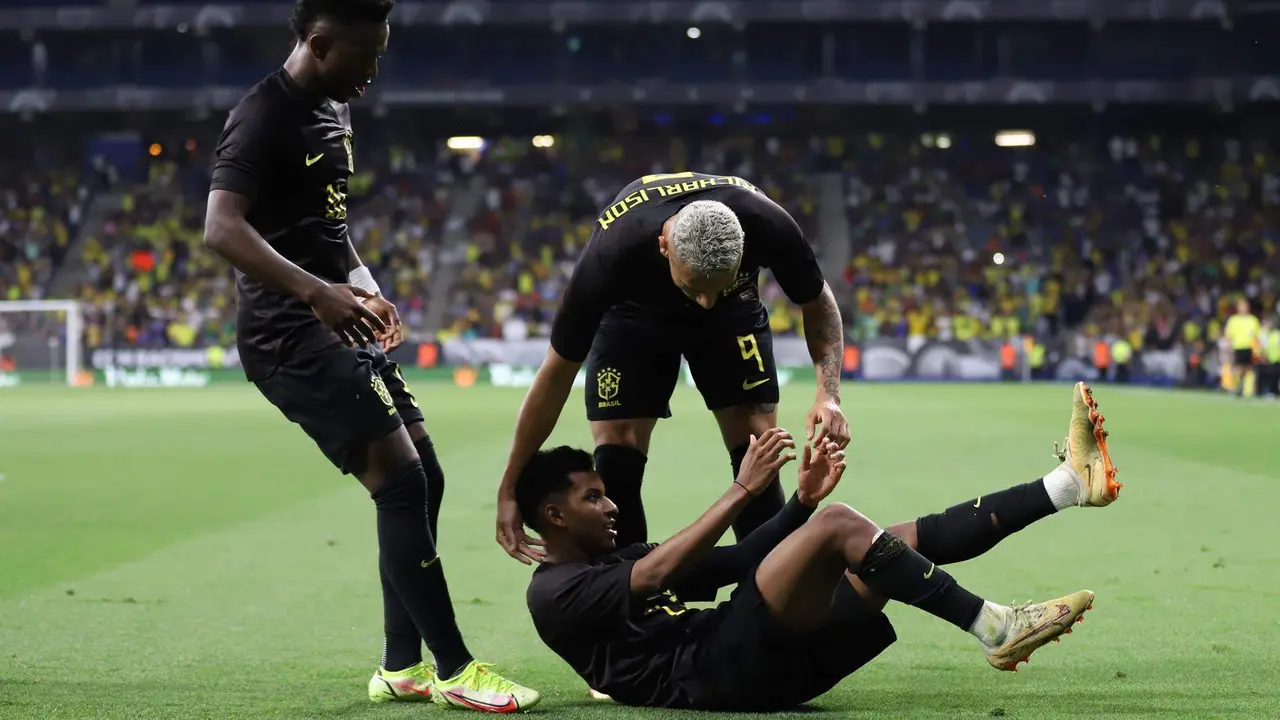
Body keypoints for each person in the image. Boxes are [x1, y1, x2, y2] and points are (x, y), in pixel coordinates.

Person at [202, 0, 538, 711]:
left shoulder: (335, 107)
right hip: (286, 333)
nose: (376, 70)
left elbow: (328, 223)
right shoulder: (262, 116)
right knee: (403, 484)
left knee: (426, 476)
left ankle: (400, 666)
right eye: (367, 55)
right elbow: (221, 228)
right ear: (321, 43)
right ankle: (455, 670)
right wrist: (316, 292)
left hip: (336, 318)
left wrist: (364, 287)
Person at [521, 382, 1122, 711]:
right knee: (841, 526)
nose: (611, 507)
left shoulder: (615, 559)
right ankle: (996, 627)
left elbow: (736, 562)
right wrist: (742, 489)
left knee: (891, 542)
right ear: (554, 516)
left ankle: (1069, 485)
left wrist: (799, 504)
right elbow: (653, 577)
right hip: (714, 670)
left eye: (606, 495)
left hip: (747, 658)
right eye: (593, 498)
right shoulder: (555, 592)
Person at [496, 172, 851, 568]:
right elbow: (556, 374)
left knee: (757, 440)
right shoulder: (610, 254)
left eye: (715, 287)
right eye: (694, 288)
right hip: (633, 315)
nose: (704, 303)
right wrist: (509, 486)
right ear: (664, 247)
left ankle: (771, 589)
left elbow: (817, 301)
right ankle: (627, 589)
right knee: (619, 441)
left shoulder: (767, 223)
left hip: (733, 312)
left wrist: (828, 395)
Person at [1223, 298, 1260, 398]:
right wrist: (1228, 347)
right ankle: (1236, 388)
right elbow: (1228, 335)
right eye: (1241, 306)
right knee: (1237, 369)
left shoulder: (1253, 320)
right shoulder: (1233, 320)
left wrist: (1257, 350)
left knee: (1249, 369)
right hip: (1238, 347)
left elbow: (1257, 336)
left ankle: (1248, 391)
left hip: (1249, 348)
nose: (1244, 308)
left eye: (1245, 306)